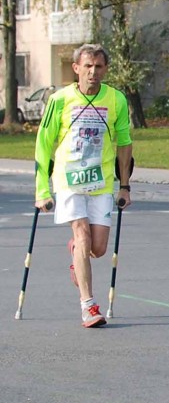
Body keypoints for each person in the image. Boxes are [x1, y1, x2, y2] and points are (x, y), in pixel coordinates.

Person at [34, 44, 133, 328]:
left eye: (98, 66)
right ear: (76, 67)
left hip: (101, 182)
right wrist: (42, 190)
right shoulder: (60, 100)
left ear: (105, 69)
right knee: (82, 235)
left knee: (98, 248)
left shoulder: (116, 99)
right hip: (69, 180)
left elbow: (124, 143)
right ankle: (88, 306)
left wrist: (124, 186)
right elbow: (43, 144)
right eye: (87, 66)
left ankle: (78, 256)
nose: (93, 72)